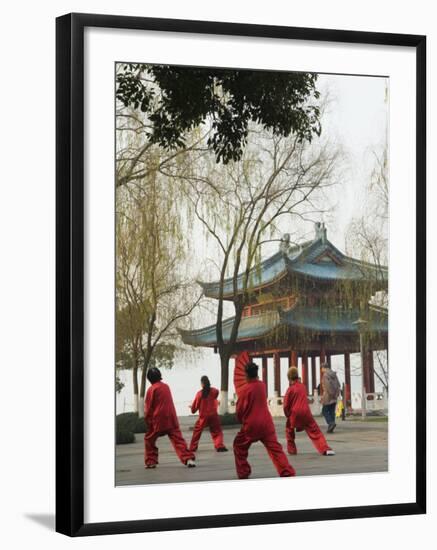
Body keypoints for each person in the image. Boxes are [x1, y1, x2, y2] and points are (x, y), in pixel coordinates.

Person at [233, 362, 296, 479]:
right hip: (267, 424)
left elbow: (240, 411)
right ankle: (287, 472)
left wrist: (241, 420)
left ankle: (243, 472)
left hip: (251, 425)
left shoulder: (244, 390)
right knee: (276, 450)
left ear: (246, 375)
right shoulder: (262, 385)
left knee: (238, 446)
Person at [144, 367, 196, 469]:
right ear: (160, 375)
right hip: (171, 419)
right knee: (178, 440)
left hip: (158, 421)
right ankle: (189, 459)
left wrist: (148, 422)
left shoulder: (151, 390)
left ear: (149, 379)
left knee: (149, 439)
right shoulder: (166, 386)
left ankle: (151, 461)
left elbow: (148, 409)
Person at [284, 366, 335, 456]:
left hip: (295, 414)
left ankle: (292, 450)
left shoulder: (290, 389)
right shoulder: (303, 387)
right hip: (306, 413)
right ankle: (325, 449)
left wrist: (288, 415)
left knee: (289, 429)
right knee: (315, 431)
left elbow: (286, 405)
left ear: (289, 378)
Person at [189, 375, 228, 452]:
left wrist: (192, 408)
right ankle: (219, 445)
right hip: (213, 415)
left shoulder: (199, 394)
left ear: (202, 384)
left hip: (203, 417)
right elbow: (216, 394)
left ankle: (193, 448)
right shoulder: (214, 391)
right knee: (217, 431)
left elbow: (194, 409)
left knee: (197, 431)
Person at [320, 362, 341, 433]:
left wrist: (331, 394)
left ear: (323, 368)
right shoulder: (334, 375)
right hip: (334, 396)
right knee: (332, 411)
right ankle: (331, 426)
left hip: (328, 396)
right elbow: (338, 385)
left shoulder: (325, 375)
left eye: (321, 368)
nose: (321, 370)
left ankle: (331, 423)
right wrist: (336, 394)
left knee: (324, 411)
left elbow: (327, 386)